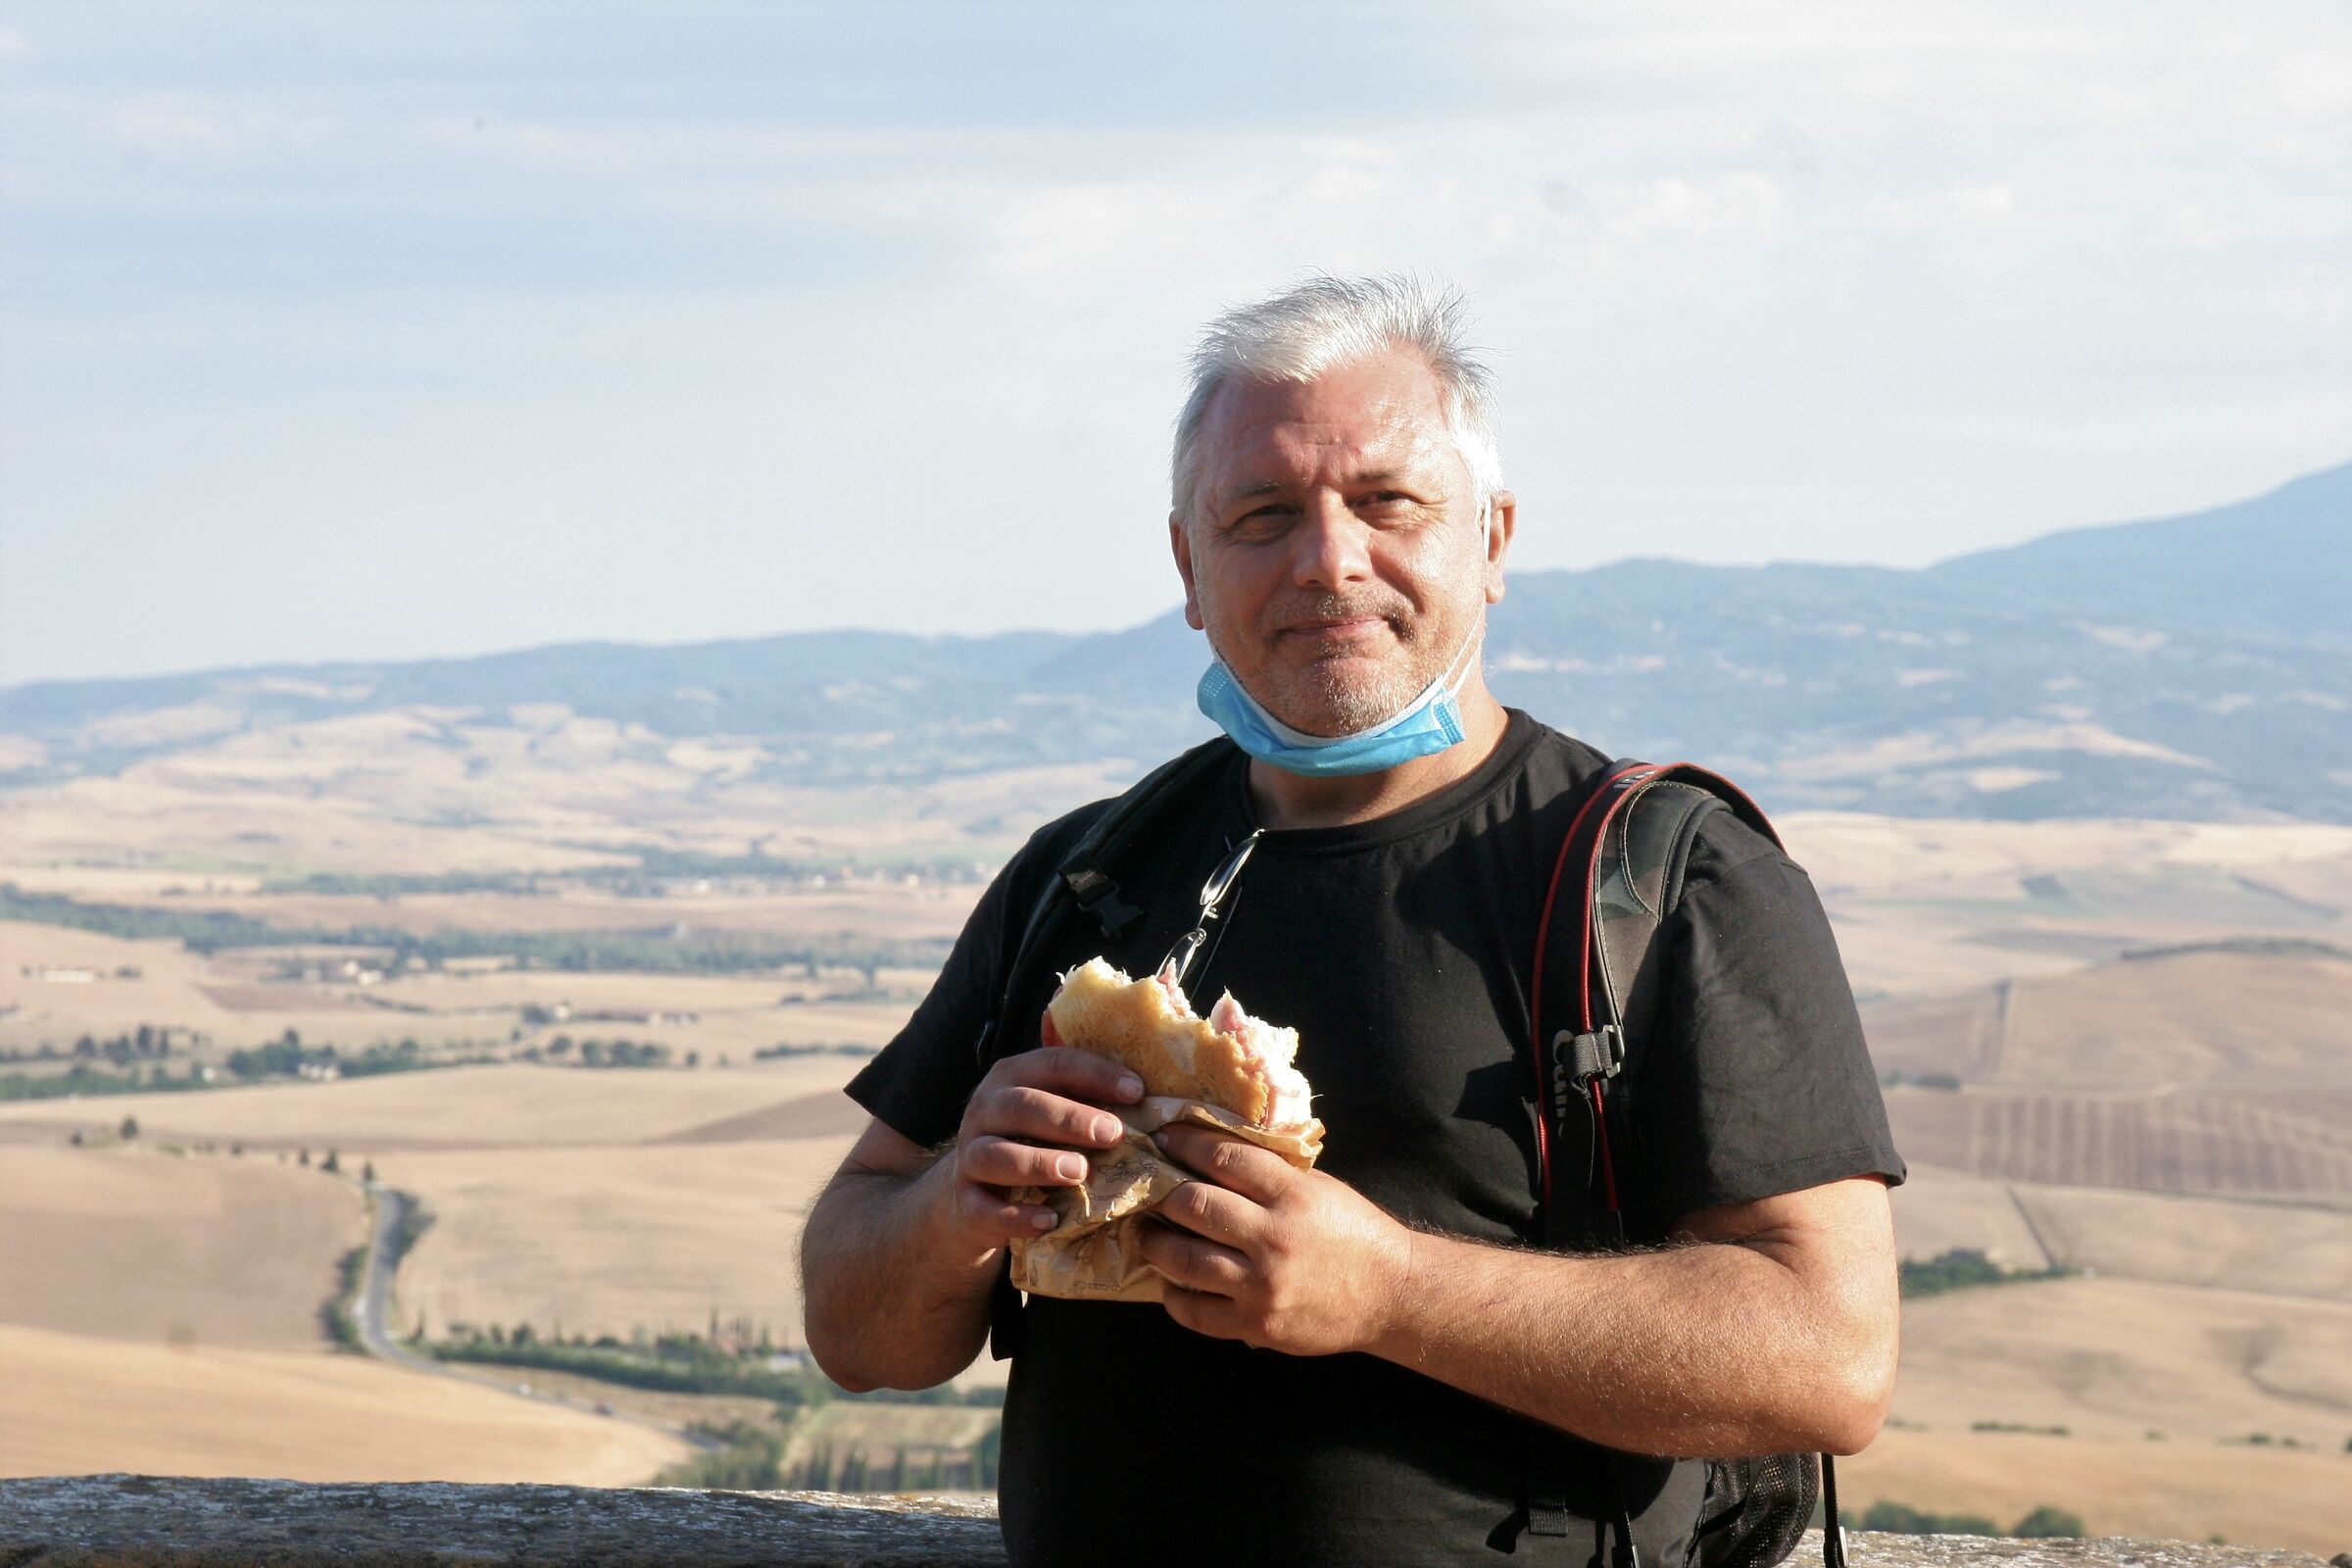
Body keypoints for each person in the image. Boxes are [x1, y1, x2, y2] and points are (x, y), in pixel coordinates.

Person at [800, 275, 1904, 1567]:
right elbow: (856, 1327)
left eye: (1388, 505)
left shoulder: (1661, 878)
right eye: (1262, 516)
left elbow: (1828, 1358)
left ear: (1489, 541)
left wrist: (1384, 1290)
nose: (1329, 561)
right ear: (1188, 569)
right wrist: (953, 1207)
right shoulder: (1087, 877)